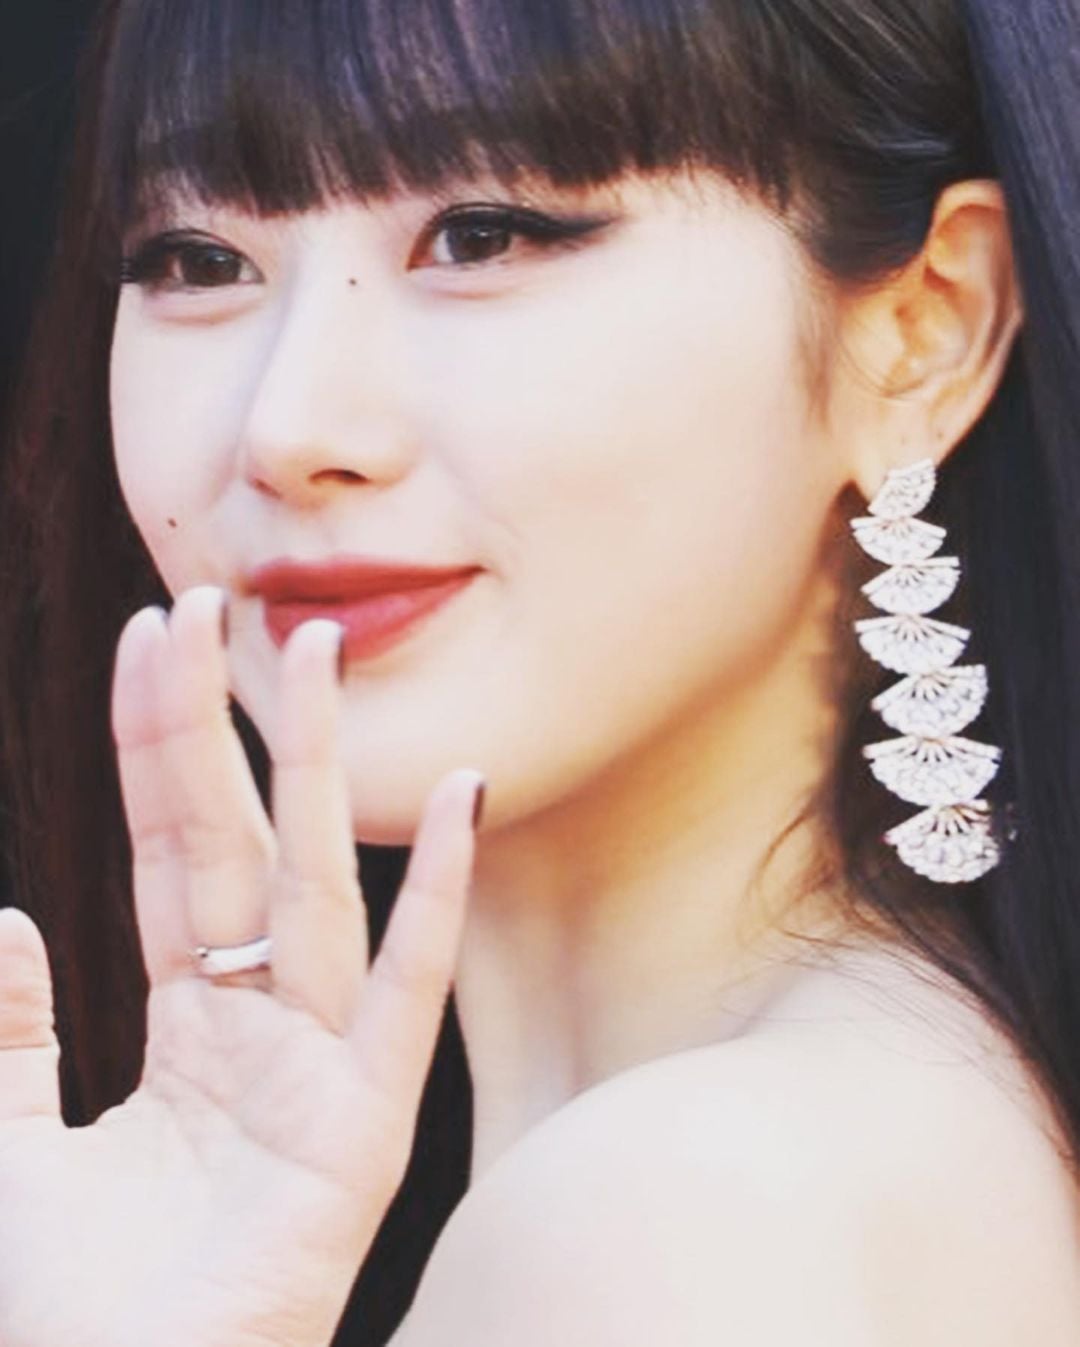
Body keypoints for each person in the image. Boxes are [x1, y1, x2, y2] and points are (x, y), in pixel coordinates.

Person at [1, 0, 1079, 1343]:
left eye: (484, 235)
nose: (287, 427)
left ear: (925, 329)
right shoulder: (886, 1126)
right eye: (197, 258)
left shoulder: (684, 1213)